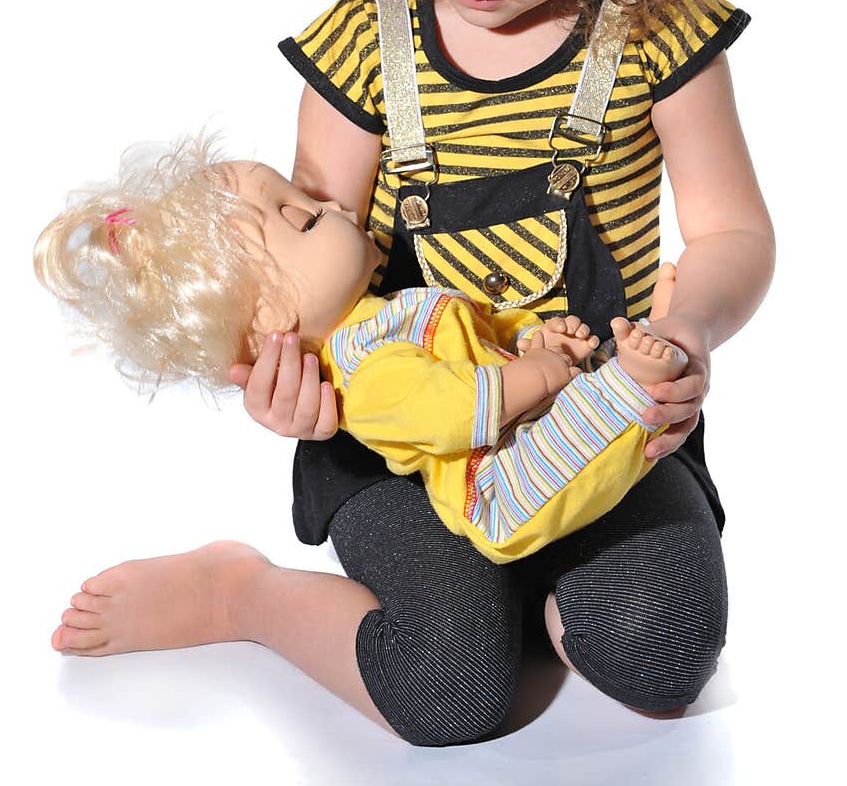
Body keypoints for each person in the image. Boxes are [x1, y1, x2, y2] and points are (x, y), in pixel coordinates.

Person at [51, 0, 775, 745]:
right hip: (408, 438)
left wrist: (684, 333)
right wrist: (272, 383)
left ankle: (532, 579)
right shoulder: (362, 51)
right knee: (448, 693)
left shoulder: (655, 37)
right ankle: (247, 593)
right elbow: (298, 271)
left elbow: (732, 233)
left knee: (662, 656)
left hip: (596, 413)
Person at [35, 148, 689, 563]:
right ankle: (631, 385)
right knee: (572, 445)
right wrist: (543, 373)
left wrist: (532, 341)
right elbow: (453, 410)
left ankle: (624, 383)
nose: (336, 203)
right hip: (494, 485)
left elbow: (475, 340)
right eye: (303, 216)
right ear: (271, 317)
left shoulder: (388, 314)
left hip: (513, 427)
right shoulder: (363, 374)